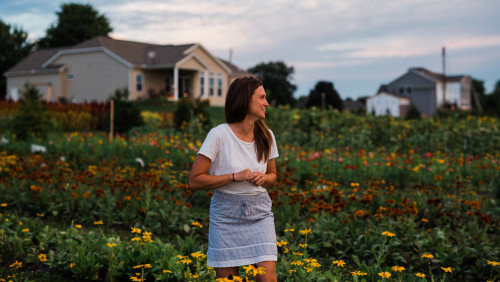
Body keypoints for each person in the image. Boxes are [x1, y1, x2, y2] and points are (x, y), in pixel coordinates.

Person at [189, 76, 278, 281]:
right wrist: (233, 177)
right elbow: (195, 180)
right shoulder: (218, 135)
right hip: (226, 215)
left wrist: (264, 178)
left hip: (260, 213)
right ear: (246, 100)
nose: (266, 103)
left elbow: (273, 176)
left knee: (267, 278)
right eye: (261, 98)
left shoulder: (267, 136)